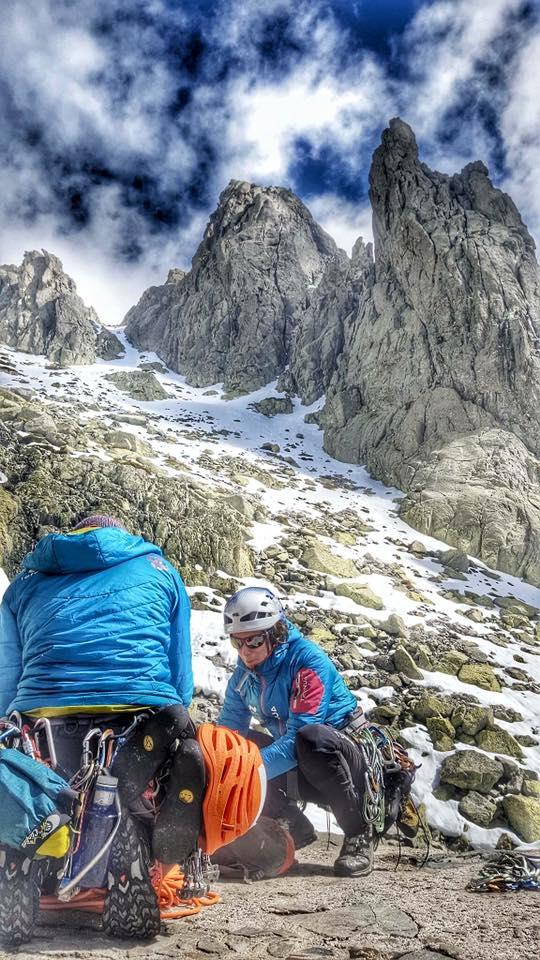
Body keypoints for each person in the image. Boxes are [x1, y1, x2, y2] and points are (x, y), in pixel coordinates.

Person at [0, 514, 203, 942]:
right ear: (121, 535)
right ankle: (136, 833)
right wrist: (179, 715)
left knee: (27, 773)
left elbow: (8, 671)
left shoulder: (25, 582)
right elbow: (179, 670)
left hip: (44, 718)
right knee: (178, 741)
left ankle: (23, 847)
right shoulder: (160, 570)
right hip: (136, 710)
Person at [219, 586, 415, 878]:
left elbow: (300, 736)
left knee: (309, 739)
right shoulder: (245, 674)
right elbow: (228, 731)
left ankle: (358, 835)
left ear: (275, 633)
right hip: (304, 764)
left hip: (347, 765)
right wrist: (221, 767)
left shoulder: (307, 662)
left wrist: (246, 771)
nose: (245, 652)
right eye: (238, 643)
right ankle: (291, 825)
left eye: (254, 641)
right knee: (233, 748)